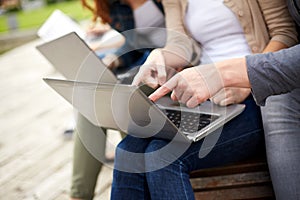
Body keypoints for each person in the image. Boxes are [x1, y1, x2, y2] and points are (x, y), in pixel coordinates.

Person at [111, 0, 298, 199]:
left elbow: (285, 34)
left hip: (256, 95)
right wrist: (160, 56)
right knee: (127, 152)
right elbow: (181, 44)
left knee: (163, 156)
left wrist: (245, 80)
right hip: (205, 95)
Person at [70, 0, 165, 200]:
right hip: (144, 64)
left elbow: (180, 37)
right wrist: (113, 59)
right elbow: (134, 43)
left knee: (120, 97)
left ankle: (134, 184)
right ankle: (79, 195)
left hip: (171, 66)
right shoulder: (114, 5)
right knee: (93, 99)